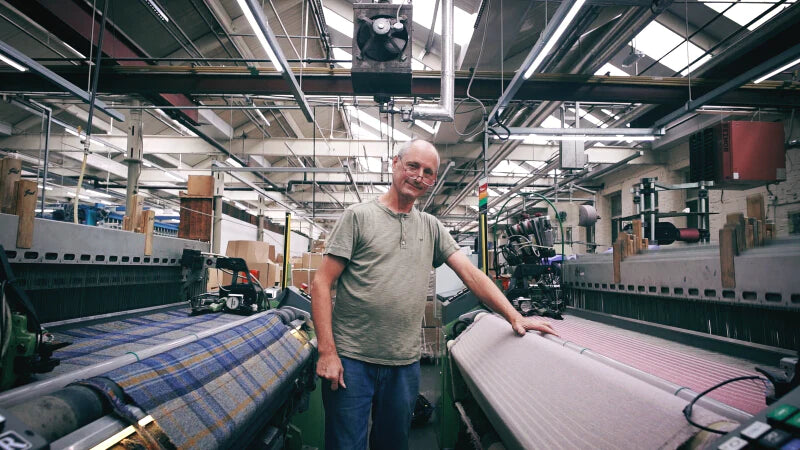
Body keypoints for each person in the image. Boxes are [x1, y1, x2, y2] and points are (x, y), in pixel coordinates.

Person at [311, 139, 557, 450]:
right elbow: (321, 282)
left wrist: (515, 316)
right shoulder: (359, 217)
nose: (419, 176)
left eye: (428, 172)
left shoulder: (431, 227)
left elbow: (471, 275)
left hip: (404, 364)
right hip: (351, 360)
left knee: (393, 444)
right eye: (412, 166)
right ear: (395, 165)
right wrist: (327, 352)